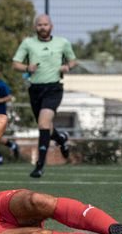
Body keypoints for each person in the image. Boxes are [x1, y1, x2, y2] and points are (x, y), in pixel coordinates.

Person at [12, 14, 75, 178]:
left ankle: (39, 166)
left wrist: (67, 67)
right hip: (35, 89)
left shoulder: (62, 42)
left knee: (43, 122)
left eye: (45, 24)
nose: (43, 27)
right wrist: (27, 68)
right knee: (45, 126)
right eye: (39, 25)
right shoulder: (28, 43)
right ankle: (61, 138)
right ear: (35, 27)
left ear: (51, 26)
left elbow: (73, 61)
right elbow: (15, 64)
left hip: (54, 88)